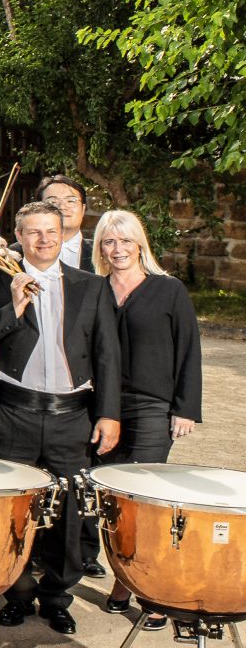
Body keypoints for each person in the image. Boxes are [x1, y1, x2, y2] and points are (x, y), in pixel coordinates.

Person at [0, 201, 121, 634]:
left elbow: (108, 355)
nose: (44, 239)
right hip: (15, 413)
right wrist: (12, 306)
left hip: (73, 417)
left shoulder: (92, 286)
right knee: (17, 507)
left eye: (52, 231)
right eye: (33, 232)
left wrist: (109, 414)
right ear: (19, 237)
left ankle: (56, 596)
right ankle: (16, 592)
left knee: (69, 511)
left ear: (65, 232)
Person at [94, 210, 203, 625]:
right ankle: (123, 578)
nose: (117, 249)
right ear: (100, 249)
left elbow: (189, 349)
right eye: (108, 242)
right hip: (104, 408)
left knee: (146, 501)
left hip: (154, 408)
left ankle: (148, 586)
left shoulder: (168, 290)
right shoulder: (95, 290)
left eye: (125, 241)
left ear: (141, 244)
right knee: (113, 500)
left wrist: (185, 408)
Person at [41, 176, 94, 271]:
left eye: (71, 201)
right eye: (52, 201)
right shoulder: (17, 253)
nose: (62, 207)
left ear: (83, 209)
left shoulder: (101, 251)